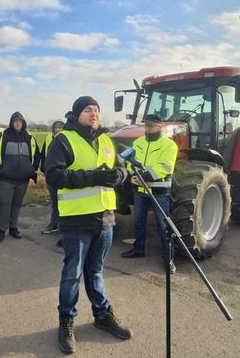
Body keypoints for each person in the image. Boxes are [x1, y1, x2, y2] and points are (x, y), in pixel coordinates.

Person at [45, 96, 132, 355]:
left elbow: (121, 167)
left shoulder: (106, 140)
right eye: (87, 110)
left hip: (105, 218)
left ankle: (102, 316)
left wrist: (121, 175)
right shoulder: (64, 140)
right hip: (76, 220)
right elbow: (53, 175)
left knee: (96, 273)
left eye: (96, 109)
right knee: (72, 274)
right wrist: (93, 177)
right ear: (76, 114)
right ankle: (66, 322)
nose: (93, 113)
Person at [121, 114, 179, 274]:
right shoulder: (137, 142)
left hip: (159, 191)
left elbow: (165, 167)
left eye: (152, 125)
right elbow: (129, 162)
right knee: (138, 222)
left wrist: (145, 177)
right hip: (139, 190)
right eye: (146, 125)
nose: (148, 128)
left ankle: (168, 258)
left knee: (163, 226)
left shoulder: (169, 145)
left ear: (160, 126)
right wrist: (134, 175)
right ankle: (138, 249)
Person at [0, 112, 41, 243]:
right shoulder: (3, 136)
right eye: (16, 121)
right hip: (5, 179)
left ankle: (13, 227)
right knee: (4, 204)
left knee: (16, 205)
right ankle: (1, 230)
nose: (18, 123)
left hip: (23, 180)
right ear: (11, 122)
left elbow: (37, 155)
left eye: (20, 121)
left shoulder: (29, 138)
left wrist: (32, 169)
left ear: (23, 123)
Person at [40, 120, 64, 235]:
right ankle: (54, 224)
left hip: (64, 177)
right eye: (56, 127)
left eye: (60, 127)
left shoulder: (67, 140)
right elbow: (43, 156)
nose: (58, 129)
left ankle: (63, 227)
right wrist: (44, 170)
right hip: (50, 176)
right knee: (55, 202)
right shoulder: (48, 138)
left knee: (64, 202)